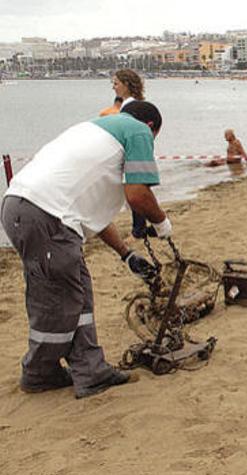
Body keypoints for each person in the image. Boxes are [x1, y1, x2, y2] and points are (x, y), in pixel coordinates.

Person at [1, 101, 171, 399]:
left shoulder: (94, 131)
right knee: (58, 299)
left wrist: (126, 253)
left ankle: (88, 369)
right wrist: (163, 223)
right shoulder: (138, 130)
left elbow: (91, 215)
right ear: (151, 128)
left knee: (75, 290)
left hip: (22, 206)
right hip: (47, 215)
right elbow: (138, 194)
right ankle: (41, 372)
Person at [111, 69, 154, 239]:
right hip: (141, 150)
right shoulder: (139, 104)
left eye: (116, 83)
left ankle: (139, 228)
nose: (113, 88)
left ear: (126, 84)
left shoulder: (129, 107)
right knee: (141, 189)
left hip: (133, 153)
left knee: (135, 190)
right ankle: (142, 226)